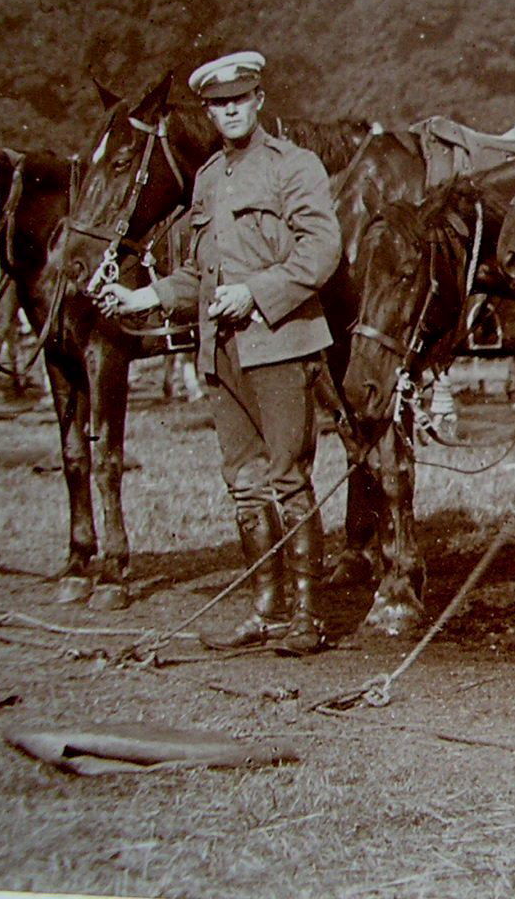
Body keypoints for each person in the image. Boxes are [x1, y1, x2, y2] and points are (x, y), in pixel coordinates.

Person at [96, 51, 341, 655]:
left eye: (240, 100)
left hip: (280, 342)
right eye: (218, 104)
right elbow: (195, 275)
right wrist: (143, 296)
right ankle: (266, 610)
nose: (230, 111)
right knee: (244, 483)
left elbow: (321, 250)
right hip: (220, 350)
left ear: (258, 100)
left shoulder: (294, 166)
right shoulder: (207, 179)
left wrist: (255, 292)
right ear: (207, 111)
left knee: (288, 476)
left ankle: (308, 615)